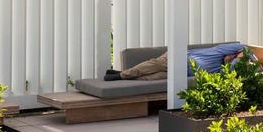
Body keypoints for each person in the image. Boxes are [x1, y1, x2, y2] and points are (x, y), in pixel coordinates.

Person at [102, 43, 249, 81]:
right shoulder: (222, 51)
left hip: (183, 73)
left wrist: (234, 63)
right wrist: (239, 56)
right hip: (178, 58)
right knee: (152, 66)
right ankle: (119, 76)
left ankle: (122, 74)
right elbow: (246, 48)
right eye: (233, 56)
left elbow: (234, 70)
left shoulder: (223, 70)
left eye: (232, 60)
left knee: (150, 78)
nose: (230, 58)